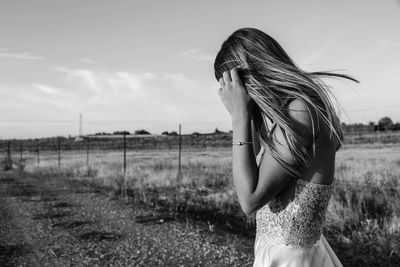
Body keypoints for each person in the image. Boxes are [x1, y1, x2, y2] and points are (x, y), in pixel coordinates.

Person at [214, 28, 358, 267]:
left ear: (246, 76)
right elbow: (253, 169)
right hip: (276, 255)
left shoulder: (301, 111)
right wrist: (249, 114)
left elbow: (249, 200)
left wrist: (238, 115)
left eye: (231, 84)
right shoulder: (293, 112)